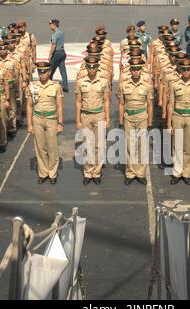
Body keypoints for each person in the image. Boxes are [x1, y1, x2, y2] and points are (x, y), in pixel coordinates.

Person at [26, 62, 64, 184]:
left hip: (51, 119)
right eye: (40, 72)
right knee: (40, 147)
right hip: (37, 119)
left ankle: (52, 173)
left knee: (52, 148)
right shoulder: (32, 86)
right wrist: (29, 124)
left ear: (49, 72)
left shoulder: (56, 86)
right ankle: (43, 172)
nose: (42, 74)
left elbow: (59, 106)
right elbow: (29, 106)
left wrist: (60, 123)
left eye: (44, 72)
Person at [75, 56, 111, 185]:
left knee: (99, 145)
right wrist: (77, 120)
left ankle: (96, 172)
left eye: (94, 66)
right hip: (85, 115)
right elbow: (78, 102)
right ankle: (88, 172)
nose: (91, 69)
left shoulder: (103, 82)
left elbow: (106, 100)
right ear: (86, 67)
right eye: (89, 67)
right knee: (87, 145)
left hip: (99, 114)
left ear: (97, 67)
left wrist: (107, 118)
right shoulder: (80, 82)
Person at [167, 58, 190, 185]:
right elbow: (170, 104)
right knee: (176, 146)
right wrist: (168, 124)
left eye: (189, 69)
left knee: (189, 147)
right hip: (177, 117)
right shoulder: (174, 84)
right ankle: (177, 172)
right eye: (184, 69)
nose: (186, 72)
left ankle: (187, 173)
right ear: (180, 70)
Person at [118, 58, 153, 185]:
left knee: (141, 146)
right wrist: (121, 121)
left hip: (142, 117)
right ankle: (130, 172)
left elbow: (149, 105)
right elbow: (121, 104)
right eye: (133, 69)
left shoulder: (147, 86)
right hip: (128, 118)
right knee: (129, 146)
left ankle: (140, 173)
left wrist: (150, 122)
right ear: (130, 70)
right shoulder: (123, 85)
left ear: (141, 70)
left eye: (138, 69)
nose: (136, 71)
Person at [48, 19, 68, 92]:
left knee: (51, 69)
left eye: (51, 25)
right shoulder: (61, 33)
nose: (50, 27)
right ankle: (65, 86)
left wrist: (50, 55)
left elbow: (54, 45)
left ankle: (48, 84)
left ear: (54, 25)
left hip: (56, 53)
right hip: (62, 52)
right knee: (63, 70)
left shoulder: (55, 34)